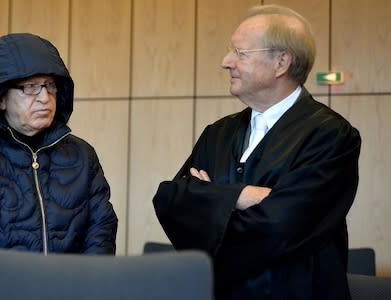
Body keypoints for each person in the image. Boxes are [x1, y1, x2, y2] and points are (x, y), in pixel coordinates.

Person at [153, 4, 361, 300]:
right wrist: (243, 196)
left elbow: (279, 227)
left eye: (240, 53)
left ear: (281, 63)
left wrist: (211, 199)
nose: (226, 62)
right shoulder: (219, 133)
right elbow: (171, 202)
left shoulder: (331, 135)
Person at [0, 33, 118, 271]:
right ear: (1, 98)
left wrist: (82, 285)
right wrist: (18, 287)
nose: (44, 98)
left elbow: (101, 228)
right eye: (31, 87)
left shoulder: (82, 154)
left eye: (50, 86)